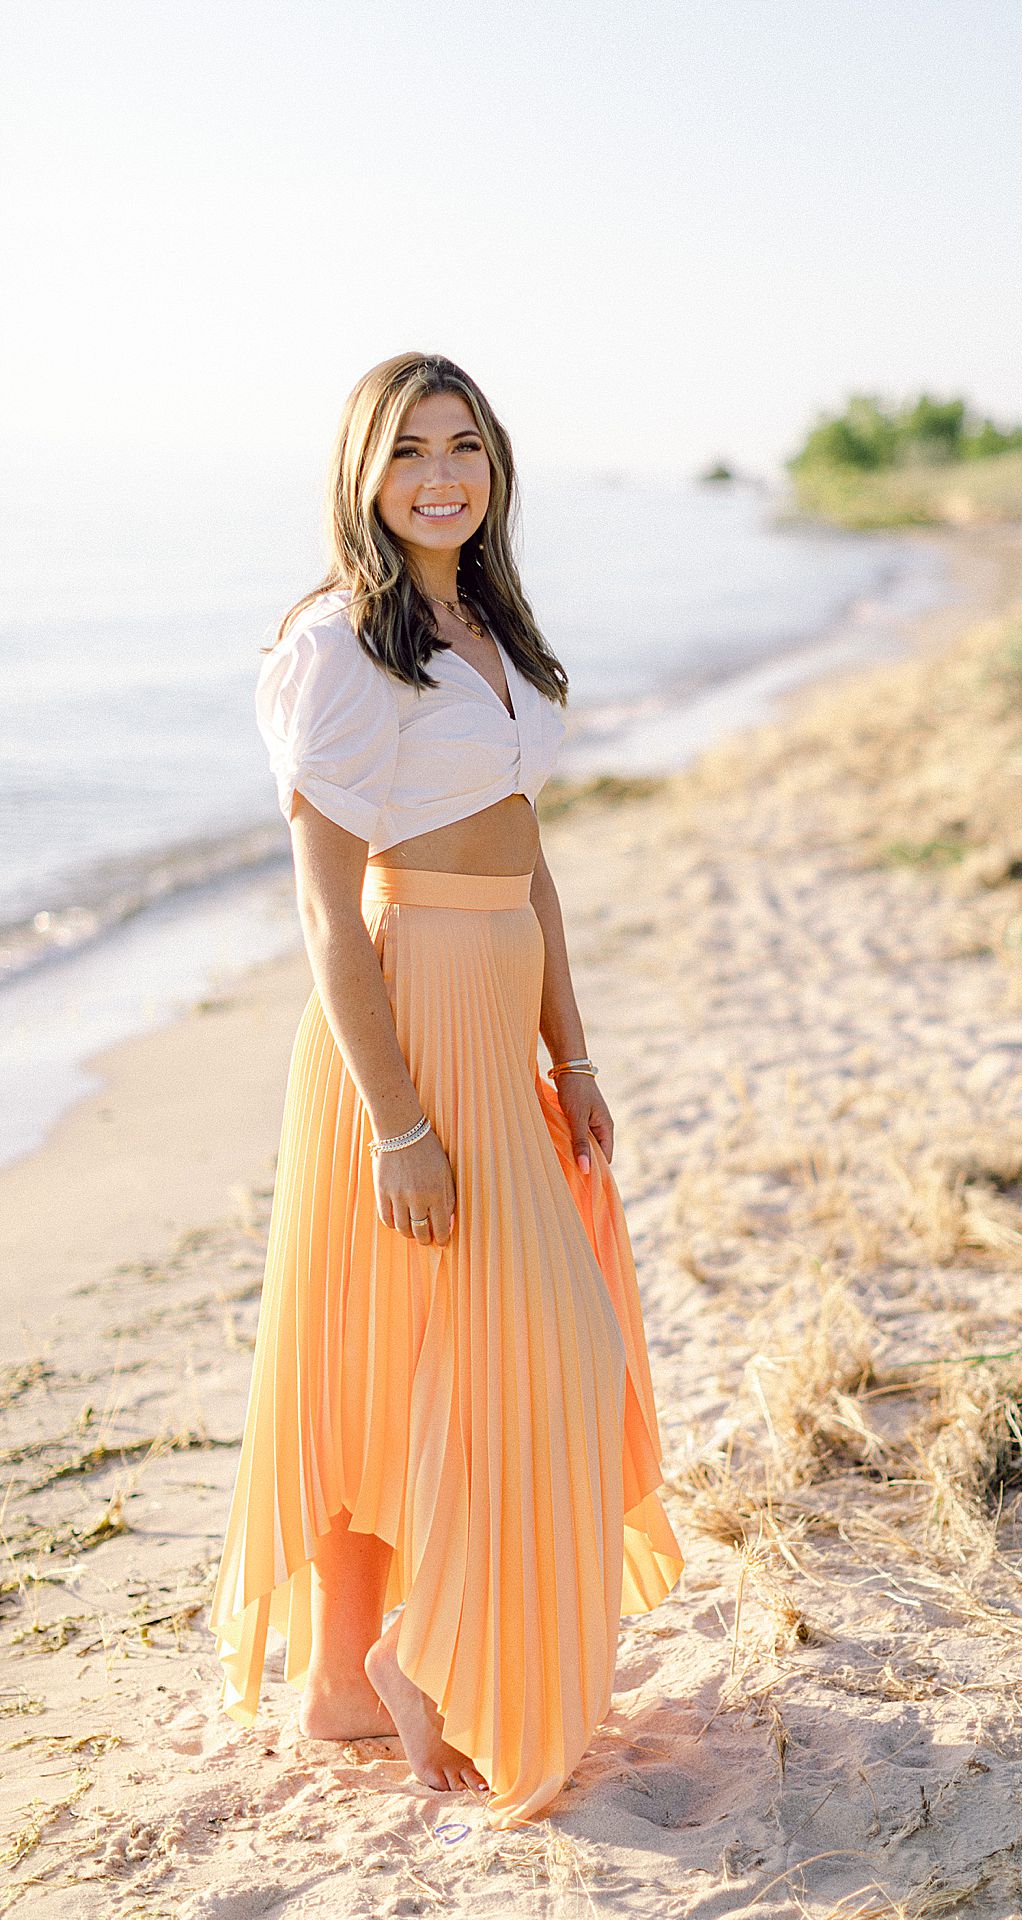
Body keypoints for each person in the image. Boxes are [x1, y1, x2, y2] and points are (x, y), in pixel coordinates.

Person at [207, 351, 684, 1829]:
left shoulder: (491, 624)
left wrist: (572, 1053)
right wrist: (400, 1122)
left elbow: (529, 862)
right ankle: (398, 1664)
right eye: (408, 449)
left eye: (463, 445)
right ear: (363, 474)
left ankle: (345, 1681)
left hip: (497, 1015)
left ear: (496, 466)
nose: (439, 475)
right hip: (401, 1028)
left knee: (447, 1354)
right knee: (481, 1350)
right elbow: (324, 912)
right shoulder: (339, 644)